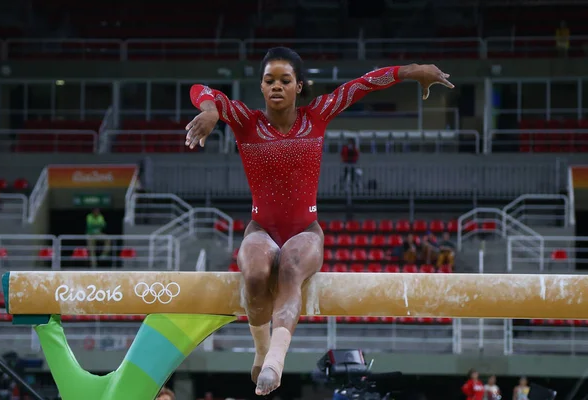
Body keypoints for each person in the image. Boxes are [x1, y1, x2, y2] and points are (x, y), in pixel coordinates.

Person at [186, 46, 454, 396]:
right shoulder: (245, 121)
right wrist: (210, 111)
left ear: (299, 86)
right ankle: (262, 349)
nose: (276, 87)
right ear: (262, 87)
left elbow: (363, 84)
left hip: (305, 231)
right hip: (261, 229)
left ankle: (276, 361)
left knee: (290, 269)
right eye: (269, 81)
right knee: (253, 271)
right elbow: (201, 90)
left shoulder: (317, 115)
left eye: (285, 80)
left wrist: (411, 70)